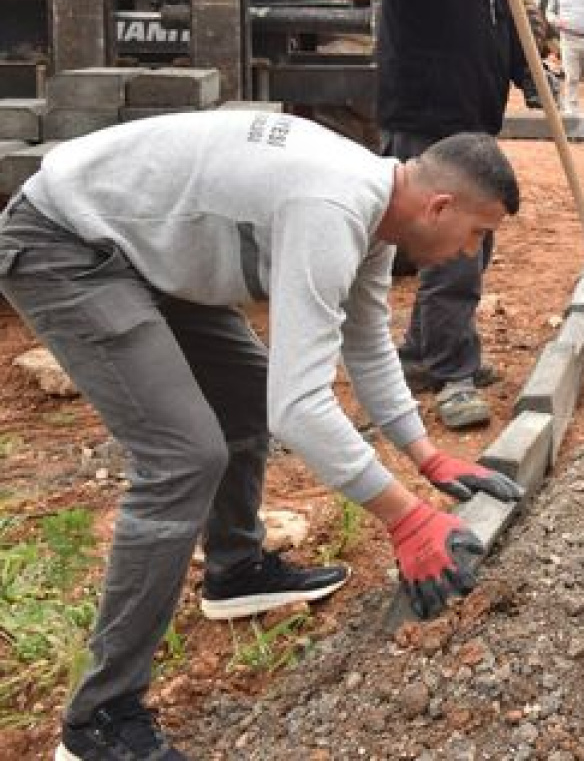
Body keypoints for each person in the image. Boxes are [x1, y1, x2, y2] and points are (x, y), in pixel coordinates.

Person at [0, 112, 525, 761]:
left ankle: (235, 568)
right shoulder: (332, 205)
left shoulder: (376, 214)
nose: (472, 253)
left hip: (141, 248)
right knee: (184, 456)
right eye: (477, 234)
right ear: (440, 205)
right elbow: (300, 406)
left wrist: (426, 454)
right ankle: (99, 719)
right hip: (69, 242)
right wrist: (406, 520)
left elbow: (364, 345)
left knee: (245, 395)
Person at [364, 0, 546, 430]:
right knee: (456, 249)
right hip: (426, 120)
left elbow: (503, 27)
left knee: (472, 243)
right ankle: (453, 374)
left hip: (471, 122)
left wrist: (529, 76)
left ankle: (423, 355)